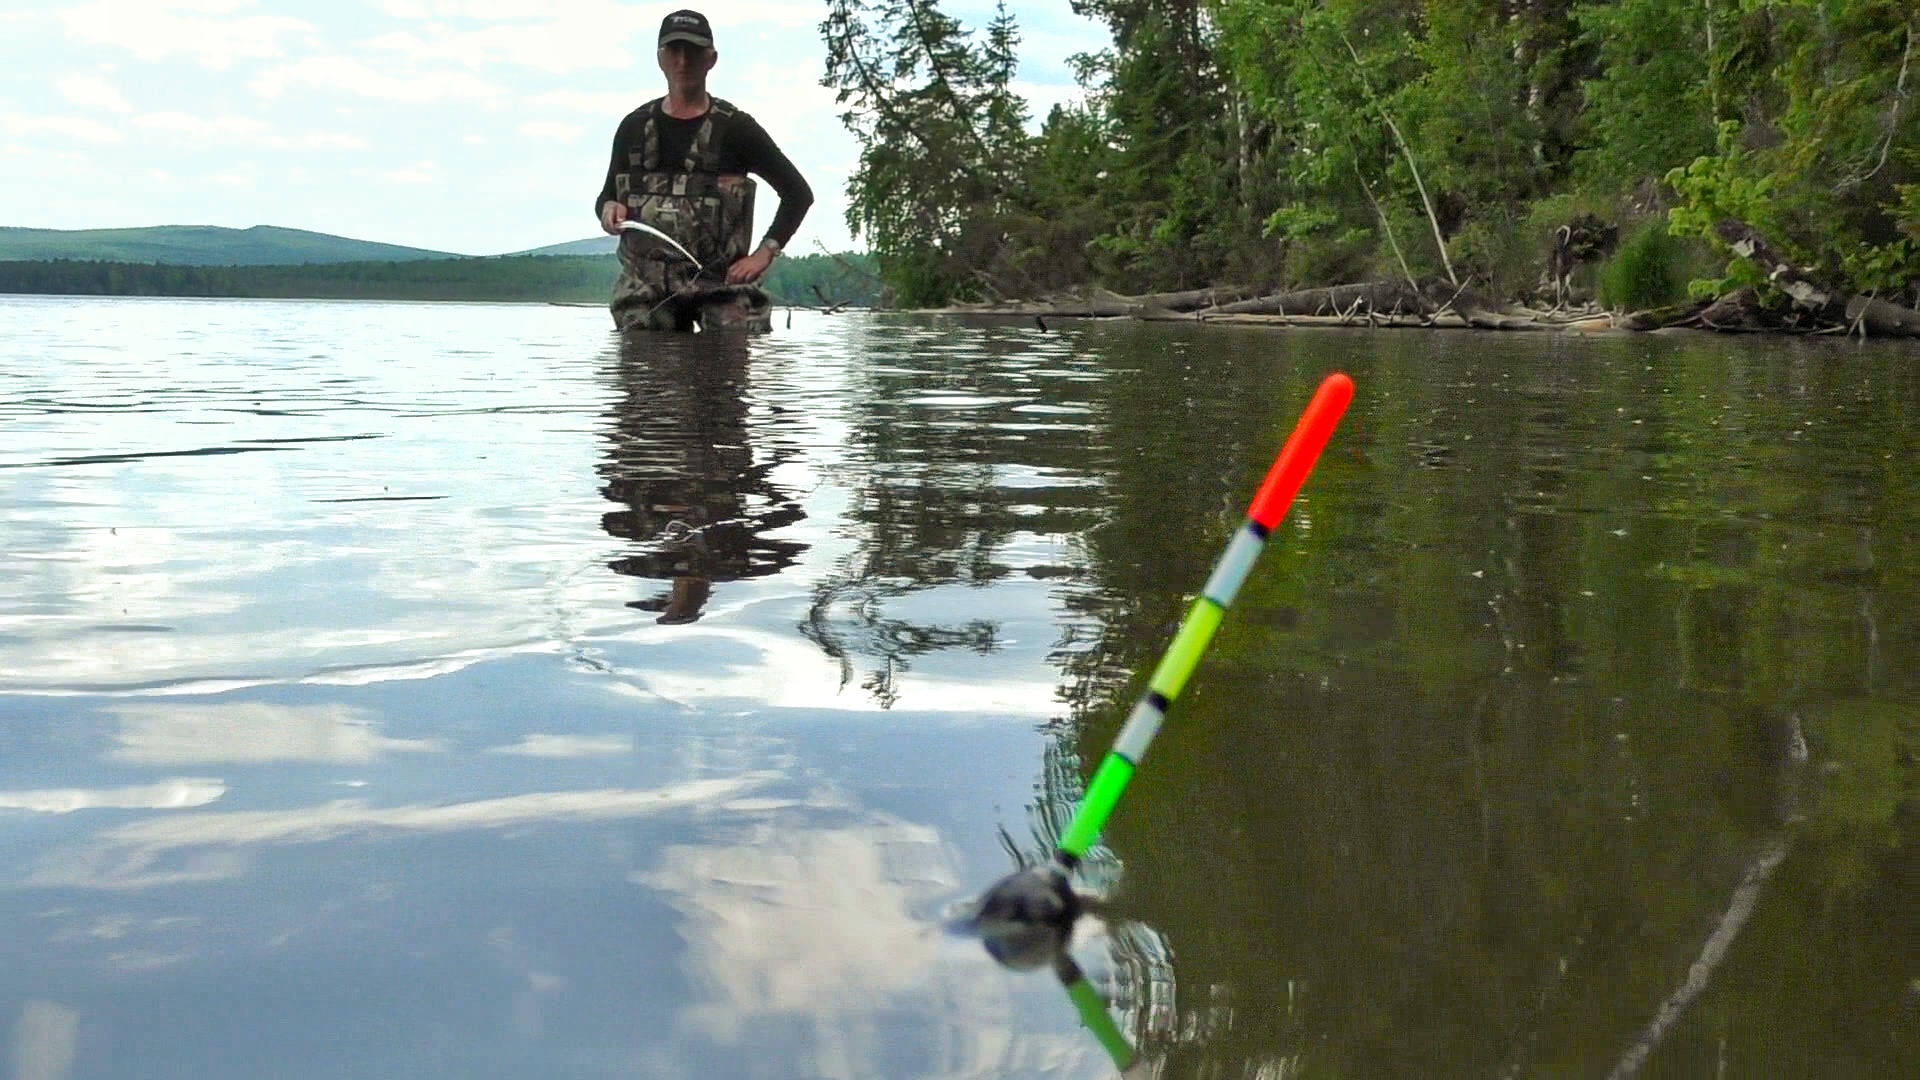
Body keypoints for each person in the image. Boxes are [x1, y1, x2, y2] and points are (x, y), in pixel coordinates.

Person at [595, 9, 813, 333]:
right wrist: (607, 209)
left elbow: (798, 194)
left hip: (721, 285)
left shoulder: (737, 129)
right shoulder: (633, 129)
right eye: (674, 51)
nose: (683, 61)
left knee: (733, 351)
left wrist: (764, 254)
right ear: (660, 58)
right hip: (647, 290)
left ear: (711, 59)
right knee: (642, 364)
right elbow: (607, 197)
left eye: (693, 52)